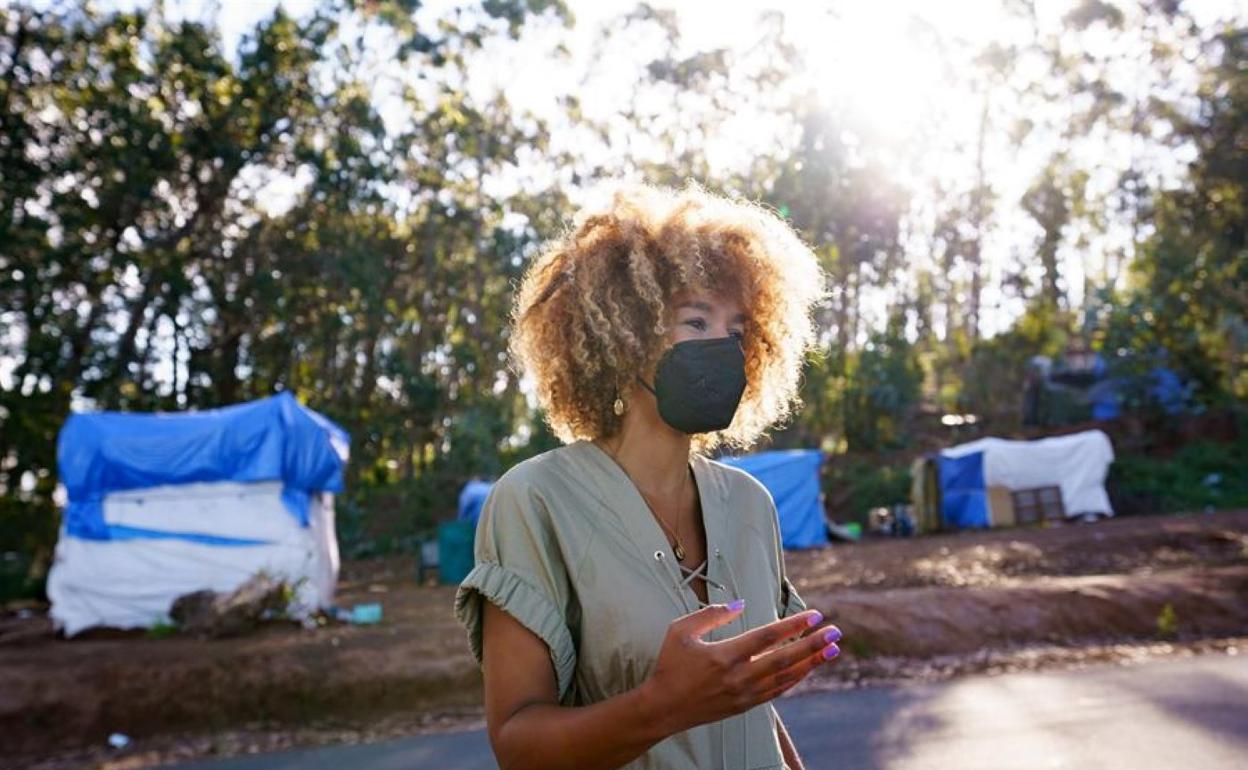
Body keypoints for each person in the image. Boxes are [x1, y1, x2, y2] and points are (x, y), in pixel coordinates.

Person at [454, 184, 840, 770]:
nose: (724, 349)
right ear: (623, 334)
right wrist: (662, 706)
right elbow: (518, 743)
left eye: (737, 331)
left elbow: (744, 702)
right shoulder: (535, 502)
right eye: (695, 321)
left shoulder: (749, 504)